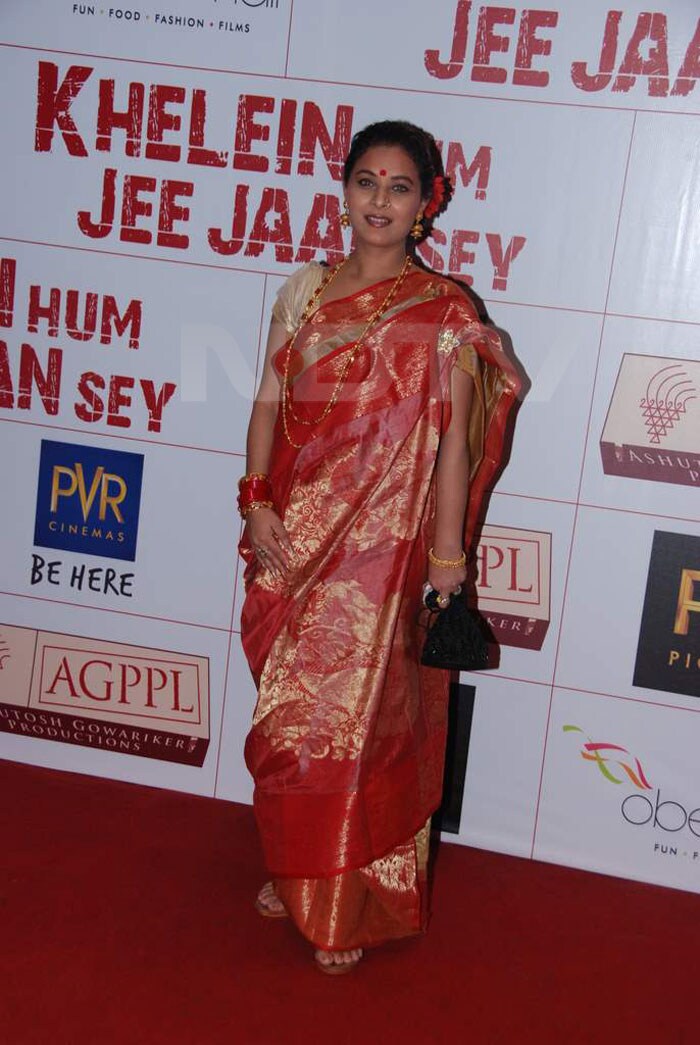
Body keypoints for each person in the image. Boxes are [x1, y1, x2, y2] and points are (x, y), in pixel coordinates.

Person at [238, 120, 520, 974]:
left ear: (426, 204)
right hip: (294, 535)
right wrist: (254, 501)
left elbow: (451, 450)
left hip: (383, 555)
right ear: (345, 187)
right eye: (367, 181)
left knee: (360, 728)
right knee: (291, 718)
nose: (380, 201)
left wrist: (446, 561)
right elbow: (265, 401)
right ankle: (295, 865)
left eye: (400, 188)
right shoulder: (305, 291)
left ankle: (342, 895)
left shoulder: (446, 314)